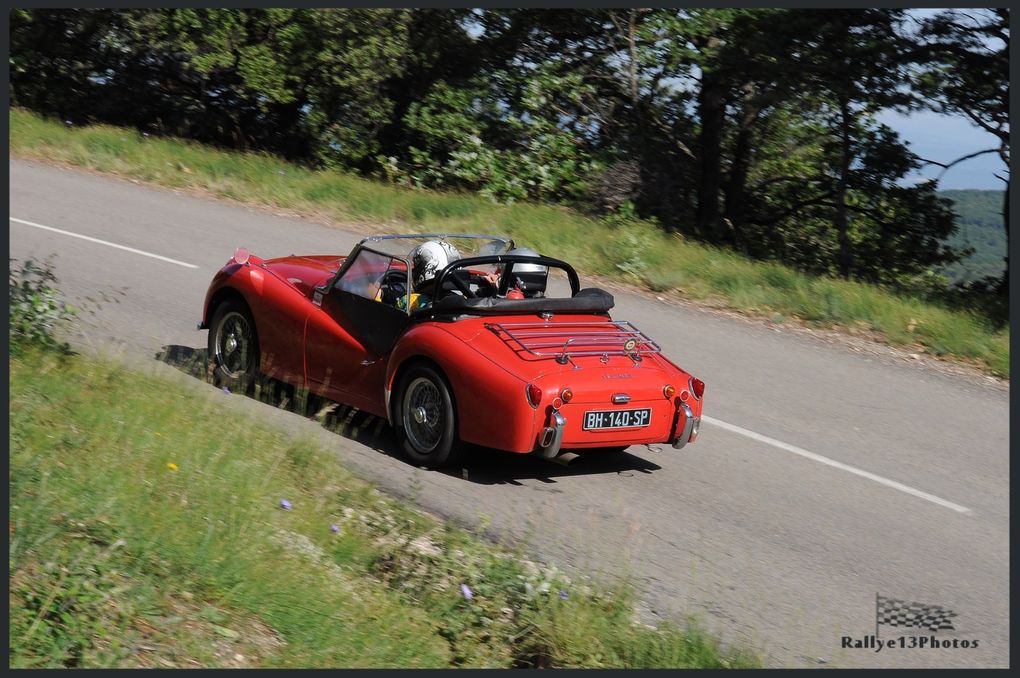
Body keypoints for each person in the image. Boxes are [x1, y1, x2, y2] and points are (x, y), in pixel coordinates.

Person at [397, 240, 461, 312]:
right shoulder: (460, 300)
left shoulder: (410, 301)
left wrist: (381, 296)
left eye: (417, 266)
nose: (414, 270)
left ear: (427, 267)